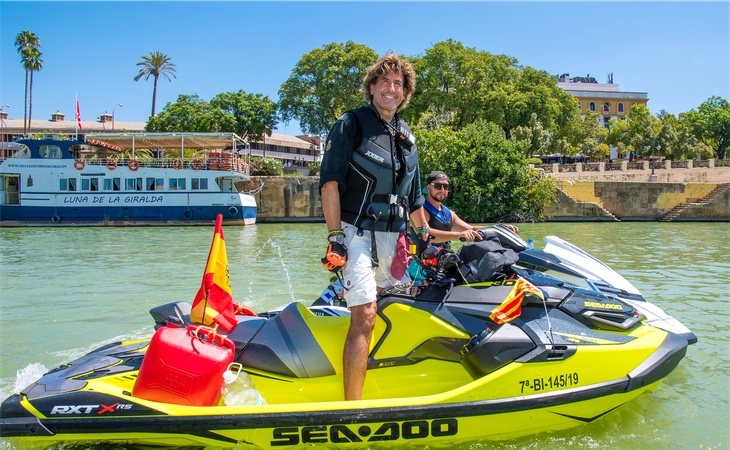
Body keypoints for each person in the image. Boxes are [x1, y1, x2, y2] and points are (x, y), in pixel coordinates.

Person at [319, 53, 429, 401]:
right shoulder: (351, 124)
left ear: (405, 93)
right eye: (384, 82)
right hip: (354, 232)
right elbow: (329, 183)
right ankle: (351, 408)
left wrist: (426, 238)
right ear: (372, 87)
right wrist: (335, 237)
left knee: (396, 308)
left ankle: (387, 381)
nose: (391, 89)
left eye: (398, 84)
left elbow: (414, 200)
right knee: (365, 313)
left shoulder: (407, 136)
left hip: (393, 238)